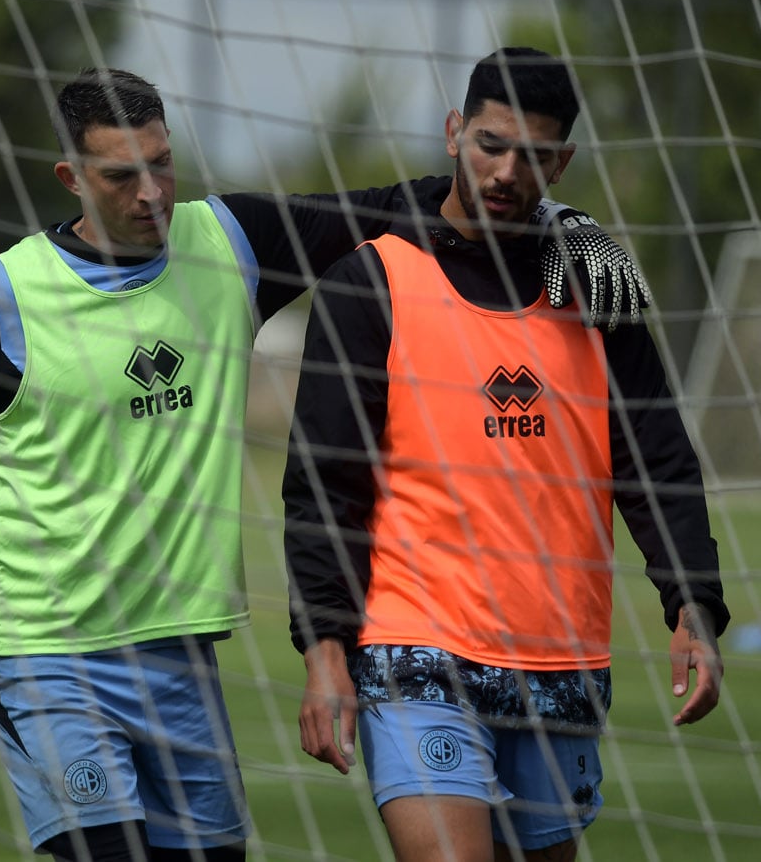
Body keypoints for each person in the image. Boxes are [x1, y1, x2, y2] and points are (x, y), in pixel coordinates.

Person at [0, 67, 650, 862]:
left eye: (162, 164)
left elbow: (400, 209)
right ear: (71, 177)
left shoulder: (231, 245)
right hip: (49, 653)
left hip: (182, 656)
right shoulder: (1, 297)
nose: (152, 193)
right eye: (122, 175)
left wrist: (564, 219)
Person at [283, 47, 730, 862]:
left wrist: (691, 603)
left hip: (561, 655)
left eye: (533, 155)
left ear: (562, 161)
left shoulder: (596, 285)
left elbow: (655, 458)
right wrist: (324, 651)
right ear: (454, 133)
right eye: (489, 143)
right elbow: (322, 487)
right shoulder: (371, 281)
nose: (505, 169)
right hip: (415, 646)